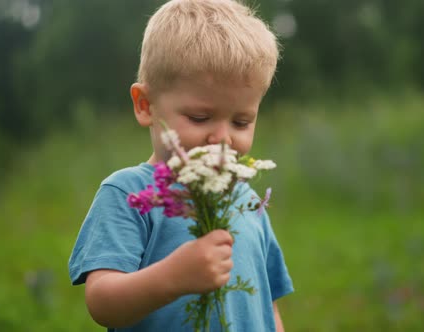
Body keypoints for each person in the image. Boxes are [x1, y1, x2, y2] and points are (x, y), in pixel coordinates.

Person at [67, 0, 293, 330]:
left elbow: (268, 306)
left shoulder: (248, 202)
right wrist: (173, 276)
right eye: (200, 117)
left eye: (241, 122)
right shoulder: (127, 193)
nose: (223, 139)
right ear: (145, 106)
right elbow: (102, 301)